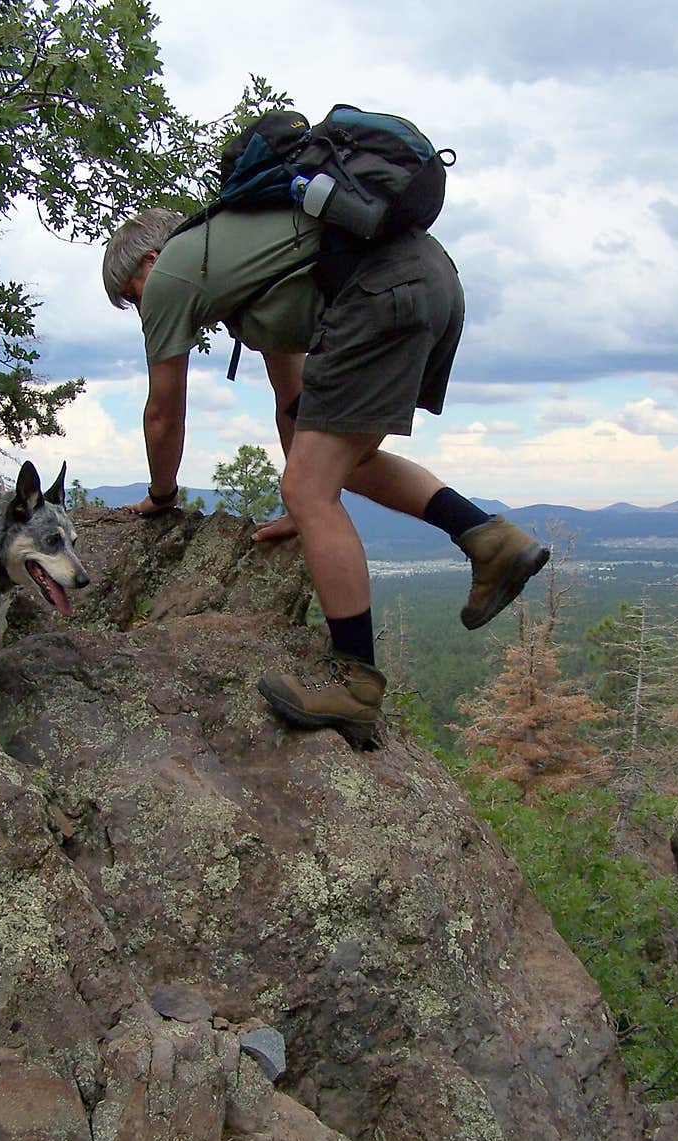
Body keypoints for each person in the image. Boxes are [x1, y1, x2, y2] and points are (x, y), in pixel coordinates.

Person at [102, 203, 548, 742]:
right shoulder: (246, 264)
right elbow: (295, 403)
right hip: (432, 285)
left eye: (131, 295)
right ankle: (489, 538)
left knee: (311, 484)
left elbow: (163, 413)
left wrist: (162, 495)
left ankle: (356, 689)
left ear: (149, 261)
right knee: (341, 462)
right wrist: (303, 507)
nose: (138, 308)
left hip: (386, 297)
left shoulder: (174, 274)